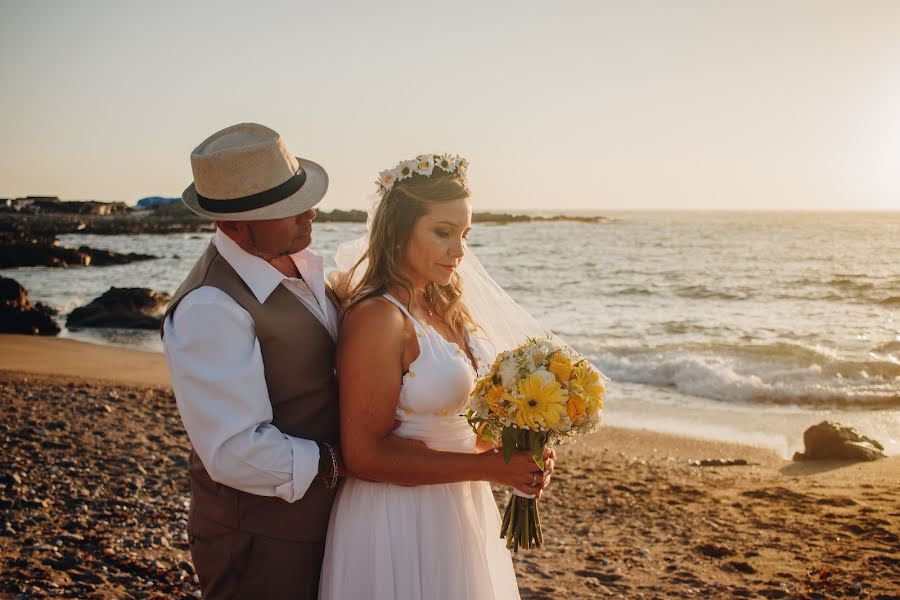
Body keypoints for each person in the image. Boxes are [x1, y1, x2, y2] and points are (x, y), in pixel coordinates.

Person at [319, 154, 556, 600]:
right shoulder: (378, 318)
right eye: (442, 232)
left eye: (464, 235)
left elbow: (468, 431)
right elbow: (365, 455)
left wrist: (520, 451)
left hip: (460, 508)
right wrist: (488, 468)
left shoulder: (448, 310)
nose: (459, 251)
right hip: (397, 519)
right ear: (398, 229)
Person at [161, 123, 343, 599]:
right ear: (231, 225)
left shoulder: (298, 260)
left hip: (326, 520)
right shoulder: (209, 308)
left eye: (302, 197)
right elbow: (235, 451)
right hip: (263, 539)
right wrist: (342, 463)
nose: (309, 212)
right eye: (285, 209)